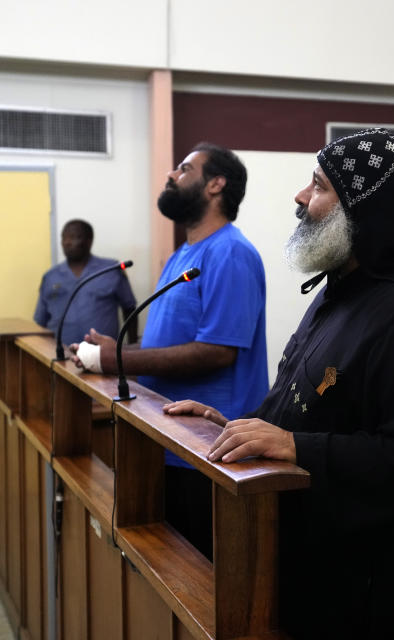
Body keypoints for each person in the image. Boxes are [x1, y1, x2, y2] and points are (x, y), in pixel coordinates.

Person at [164, 129, 394, 639]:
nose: (300, 197)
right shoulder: (337, 294)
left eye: (319, 186)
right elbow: (303, 402)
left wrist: (295, 445)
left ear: (362, 209)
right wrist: (237, 424)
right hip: (315, 567)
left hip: (374, 592)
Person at [71, 142, 268, 560]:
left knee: (198, 582)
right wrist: (110, 350)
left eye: (183, 168)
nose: (170, 175)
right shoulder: (182, 255)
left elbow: (217, 351)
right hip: (166, 441)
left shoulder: (230, 252)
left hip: (211, 452)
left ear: (216, 184)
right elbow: (167, 343)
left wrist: (116, 359)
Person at [34, 219, 137, 346]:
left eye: (74, 237)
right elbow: (40, 321)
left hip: (102, 356)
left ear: (89, 241)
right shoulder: (50, 277)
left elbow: (129, 309)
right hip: (61, 355)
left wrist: (132, 346)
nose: (67, 242)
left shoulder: (110, 270)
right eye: (64, 238)